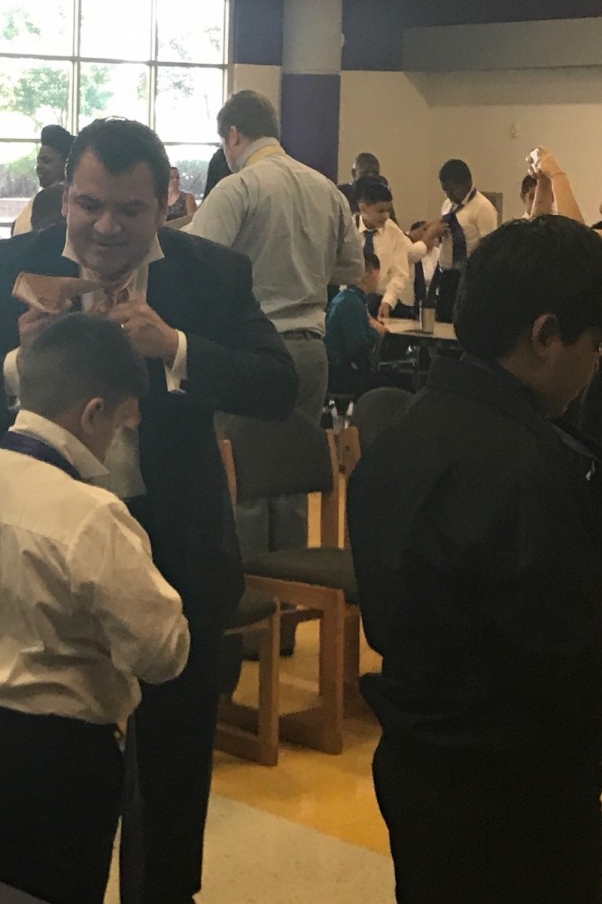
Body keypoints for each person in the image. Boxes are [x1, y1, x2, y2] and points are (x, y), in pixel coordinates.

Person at [0, 117, 297, 904]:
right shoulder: (10, 266)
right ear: (67, 195)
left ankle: (165, 897)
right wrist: (17, 365)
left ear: (166, 203)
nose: (106, 228)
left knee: (175, 747)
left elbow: (279, 385)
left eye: (130, 211)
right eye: (90, 205)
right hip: (38, 542)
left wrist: (174, 348)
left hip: (172, 533)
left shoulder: (210, 273)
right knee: (46, 746)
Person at [349, 215, 602, 904]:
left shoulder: (397, 438)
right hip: (518, 790)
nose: (596, 362)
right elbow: (565, 661)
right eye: (594, 343)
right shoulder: (533, 473)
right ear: (546, 335)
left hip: (419, 765)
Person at [0, 313, 190, 904]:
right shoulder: (93, 513)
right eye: (119, 423)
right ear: (92, 414)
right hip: (63, 760)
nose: (117, 439)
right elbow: (161, 653)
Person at [187, 90, 361, 601]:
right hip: (311, 346)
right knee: (291, 479)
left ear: (234, 136)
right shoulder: (325, 188)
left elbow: (197, 260)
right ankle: (289, 606)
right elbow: (351, 270)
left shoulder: (238, 187)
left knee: (243, 481)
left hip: (251, 348)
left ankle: (249, 611)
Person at [354, 177, 441, 320]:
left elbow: (400, 272)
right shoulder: (349, 229)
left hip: (381, 299)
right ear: (363, 208)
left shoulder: (393, 231)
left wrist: (388, 301)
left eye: (388, 210)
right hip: (353, 297)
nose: (385, 216)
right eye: (380, 211)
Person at [324, 254, 407, 397]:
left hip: (335, 369)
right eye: (377, 274)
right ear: (366, 275)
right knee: (401, 381)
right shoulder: (352, 303)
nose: (378, 279)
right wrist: (376, 333)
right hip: (342, 373)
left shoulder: (346, 298)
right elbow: (356, 347)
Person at [431, 158, 499, 324]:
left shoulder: (483, 207)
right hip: (446, 273)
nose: (449, 195)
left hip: (468, 274)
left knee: (461, 321)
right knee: (442, 320)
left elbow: (489, 246)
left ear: (466, 183)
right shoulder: (448, 205)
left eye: (452, 190)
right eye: (445, 190)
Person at [13, 124, 73, 235]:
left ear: (66, 163)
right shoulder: (51, 194)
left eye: (46, 161)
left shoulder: (52, 197)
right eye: (38, 162)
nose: (39, 167)